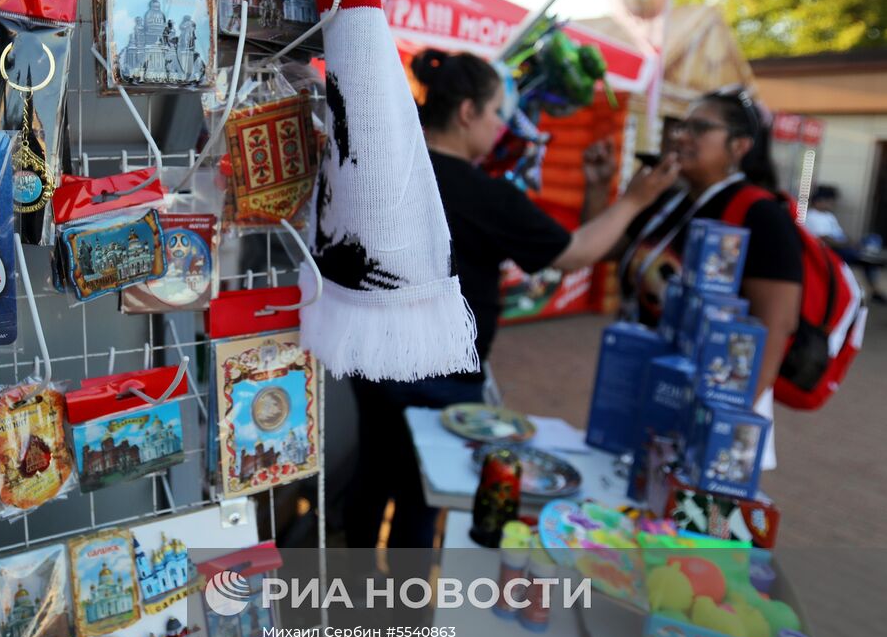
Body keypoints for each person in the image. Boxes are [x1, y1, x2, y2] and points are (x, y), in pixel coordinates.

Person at [342, 49, 679, 550]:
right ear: (467, 112)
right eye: (498, 111)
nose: (503, 126)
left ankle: (351, 603)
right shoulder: (484, 195)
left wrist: (593, 188)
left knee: (369, 487)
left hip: (372, 364)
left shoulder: (380, 170)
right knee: (418, 505)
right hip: (441, 382)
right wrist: (634, 199)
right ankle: (397, 618)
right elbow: (574, 253)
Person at [618, 86, 803, 461]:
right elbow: (607, 250)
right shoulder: (671, 200)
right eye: (680, 126)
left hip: (710, 411)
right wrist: (599, 184)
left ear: (739, 147)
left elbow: (775, 327)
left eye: (698, 128)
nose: (679, 135)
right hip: (647, 382)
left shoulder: (762, 216)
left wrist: (719, 429)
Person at [803, 184, 886, 303]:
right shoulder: (812, 216)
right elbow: (825, 240)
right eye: (829, 201)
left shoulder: (829, 215)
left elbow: (841, 234)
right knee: (867, 259)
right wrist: (849, 244)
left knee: (873, 238)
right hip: (833, 251)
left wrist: (852, 242)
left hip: (844, 245)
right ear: (819, 201)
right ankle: (868, 258)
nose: (832, 204)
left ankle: (868, 255)